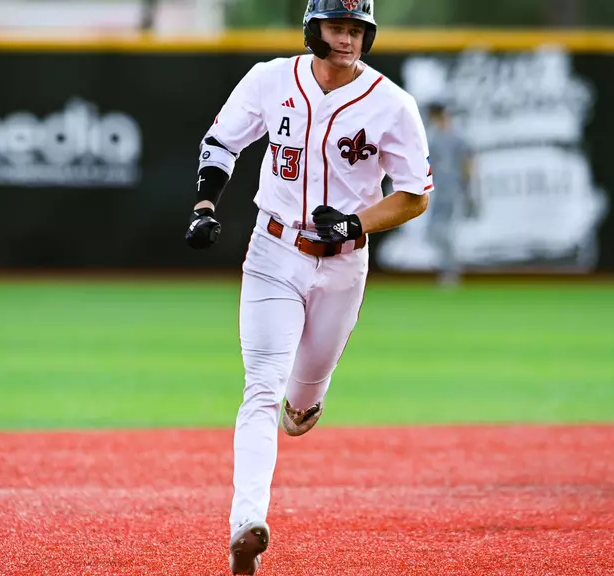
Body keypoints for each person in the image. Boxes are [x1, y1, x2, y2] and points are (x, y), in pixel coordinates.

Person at [183, 1, 432, 573]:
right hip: (272, 250)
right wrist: (204, 206)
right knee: (261, 389)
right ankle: (246, 524)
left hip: (342, 266)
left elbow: (415, 194)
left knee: (299, 403)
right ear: (312, 29)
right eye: (336, 27)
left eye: (357, 30)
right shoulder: (271, 80)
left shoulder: (392, 103)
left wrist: (354, 224)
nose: (347, 39)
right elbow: (221, 142)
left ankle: (306, 405)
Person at [425, 103, 475, 286]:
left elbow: (467, 163)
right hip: (439, 190)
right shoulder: (434, 138)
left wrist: (468, 191)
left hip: (453, 190)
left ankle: (451, 271)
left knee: (445, 231)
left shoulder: (457, 138)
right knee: (434, 231)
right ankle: (448, 267)